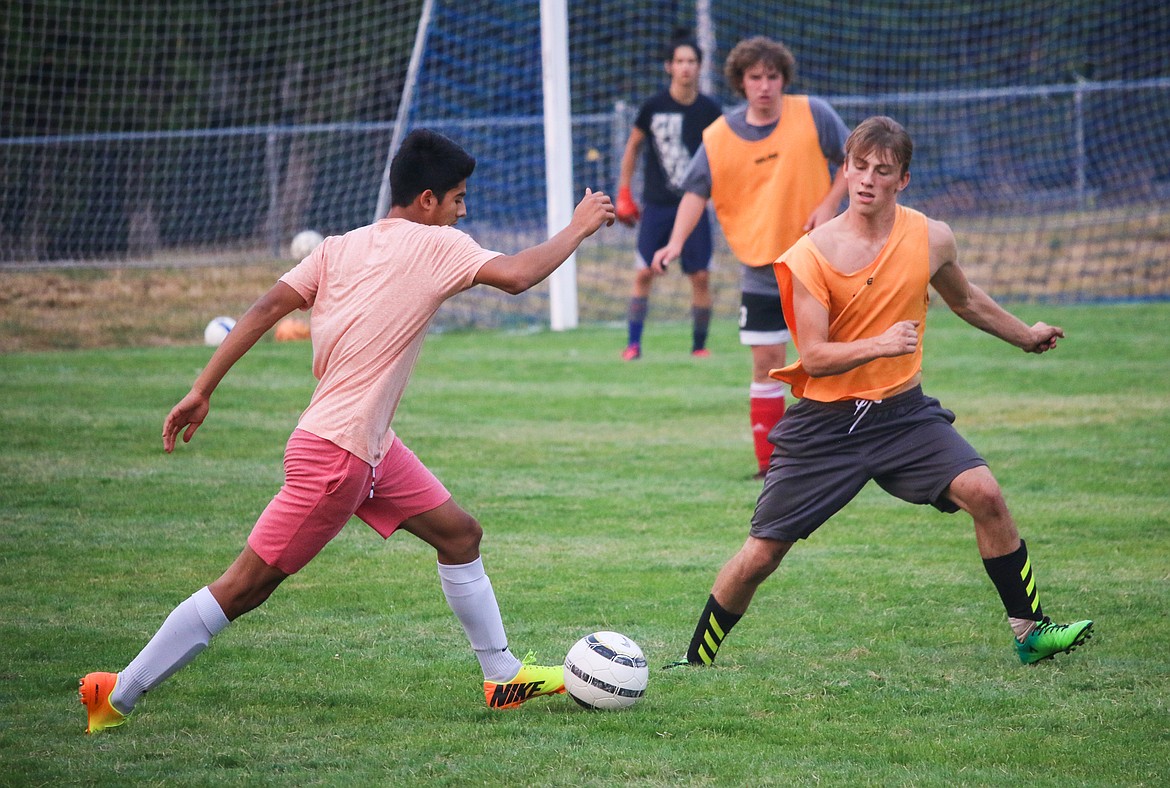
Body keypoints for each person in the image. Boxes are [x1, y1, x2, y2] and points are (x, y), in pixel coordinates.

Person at [78, 129, 616, 734]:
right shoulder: (437, 245)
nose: (465, 210)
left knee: (461, 535)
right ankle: (117, 693)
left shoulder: (339, 246)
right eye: (460, 198)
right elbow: (518, 276)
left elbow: (262, 309)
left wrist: (203, 388)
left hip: (371, 447)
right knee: (244, 586)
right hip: (337, 456)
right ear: (428, 200)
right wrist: (577, 228)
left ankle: (502, 677)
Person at [665, 116, 1093, 670]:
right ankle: (695, 660)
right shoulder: (809, 254)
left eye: (882, 170)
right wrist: (881, 343)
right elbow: (814, 355)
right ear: (844, 171)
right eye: (858, 166)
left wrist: (1025, 336)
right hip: (826, 425)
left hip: (903, 415)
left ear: (903, 180)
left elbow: (965, 300)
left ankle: (1031, 630)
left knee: (985, 493)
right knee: (763, 553)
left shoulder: (932, 236)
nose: (867, 179)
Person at [652, 36, 850, 478]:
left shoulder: (813, 113)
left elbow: (854, 159)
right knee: (767, 364)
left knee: (831, 358)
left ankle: (842, 455)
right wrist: (676, 244)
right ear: (740, 82)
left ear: (784, 79)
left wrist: (830, 201)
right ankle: (771, 465)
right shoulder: (719, 136)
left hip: (821, 262)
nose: (765, 85)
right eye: (755, 77)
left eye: (773, 76)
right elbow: (695, 191)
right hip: (761, 267)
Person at [616, 30, 723, 361]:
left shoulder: (711, 110)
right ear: (669, 67)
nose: (686, 67)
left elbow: (724, 155)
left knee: (701, 276)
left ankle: (699, 346)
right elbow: (632, 147)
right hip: (658, 205)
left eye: (692, 61)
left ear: (700, 67)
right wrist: (623, 193)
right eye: (680, 61)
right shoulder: (653, 107)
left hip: (694, 205)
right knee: (644, 272)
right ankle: (633, 345)